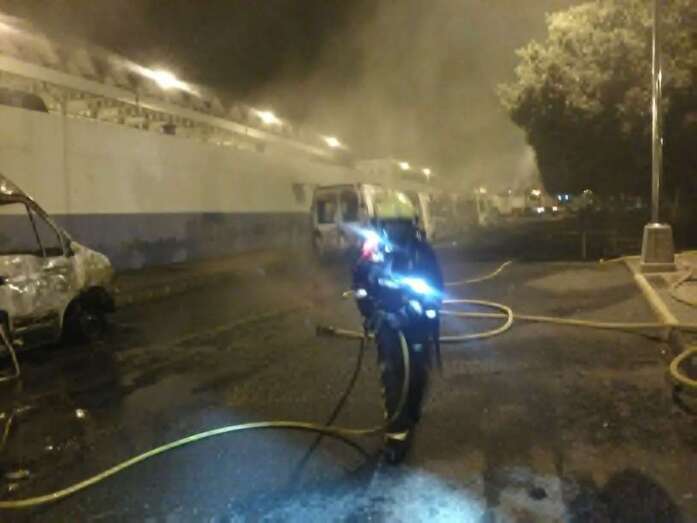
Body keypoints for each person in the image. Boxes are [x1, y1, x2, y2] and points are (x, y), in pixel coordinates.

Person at [351, 191, 443, 462]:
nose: (395, 230)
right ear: (381, 225)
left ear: (411, 224)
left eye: (401, 224)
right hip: (387, 329)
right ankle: (397, 440)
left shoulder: (422, 254)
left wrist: (405, 315)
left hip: (416, 328)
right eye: (390, 224)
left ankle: (411, 413)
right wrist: (370, 313)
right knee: (393, 381)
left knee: (416, 377)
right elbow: (360, 285)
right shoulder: (371, 252)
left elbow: (433, 295)